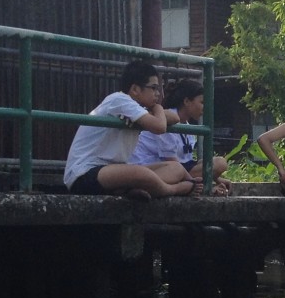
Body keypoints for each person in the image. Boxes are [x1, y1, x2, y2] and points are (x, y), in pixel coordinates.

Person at [63, 60, 199, 200]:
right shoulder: (119, 99)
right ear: (135, 89)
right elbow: (160, 127)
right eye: (153, 88)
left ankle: (133, 189)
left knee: (175, 167)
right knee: (139, 173)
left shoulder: (139, 109)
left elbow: (174, 117)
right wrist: (157, 108)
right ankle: (172, 189)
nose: (158, 94)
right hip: (85, 173)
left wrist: (155, 109)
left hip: (115, 172)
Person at [129, 78, 231, 196]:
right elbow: (175, 165)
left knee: (219, 162)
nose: (205, 107)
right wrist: (201, 186)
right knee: (214, 165)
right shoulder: (167, 119)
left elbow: (186, 162)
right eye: (202, 102)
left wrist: (216, 179)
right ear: (187, 101)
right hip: (149, 168)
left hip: (173, 168)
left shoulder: (187, 126)